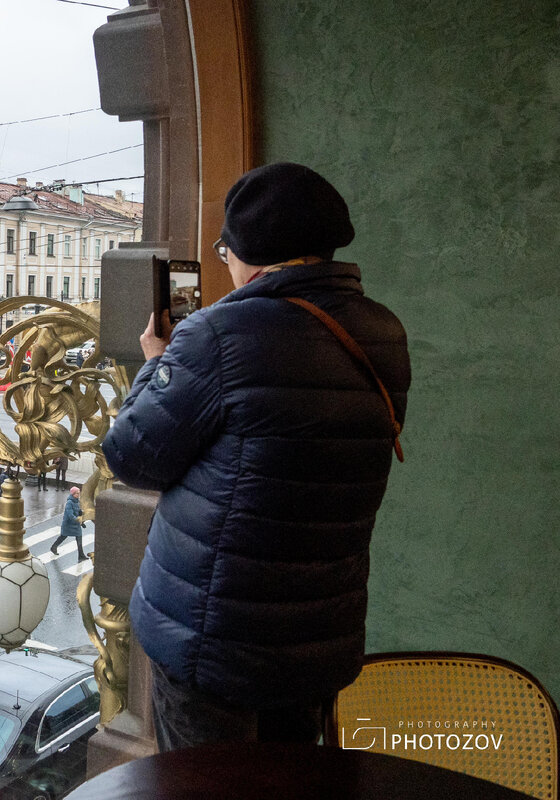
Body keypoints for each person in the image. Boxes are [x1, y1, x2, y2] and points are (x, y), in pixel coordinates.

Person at [102, 162, 411, 753]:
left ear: (251, 253)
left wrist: (155, 366)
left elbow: (132, 457)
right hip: (317, 635)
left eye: (225, 252)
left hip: (214, 641)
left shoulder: (218, 335)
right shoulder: (383, 332)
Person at [49, 487, 88, 561]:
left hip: (76, 525)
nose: (79, 494)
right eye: (77, 493)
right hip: (68, 524)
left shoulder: (77, 501)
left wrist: (82, 513)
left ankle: (81, 555)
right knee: (63, 537)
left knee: (79, 538)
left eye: (79, 493)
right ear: (73, 494)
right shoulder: (69, 503)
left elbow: (78, 510)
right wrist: (78, 520)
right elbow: (70, 515)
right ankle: (54, 547)